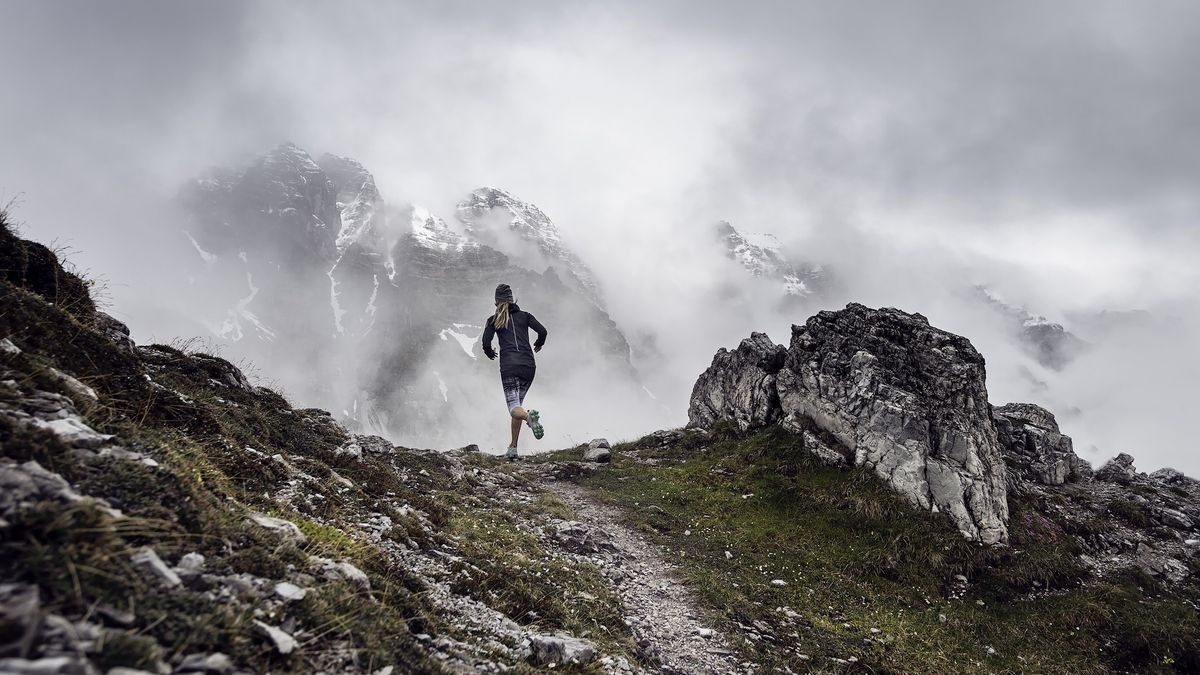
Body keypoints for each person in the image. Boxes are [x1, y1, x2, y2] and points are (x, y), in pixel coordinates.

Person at [481, 283, 547, 459]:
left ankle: (529, 419)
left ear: (496, 302)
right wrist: (539, 344)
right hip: (529, 367)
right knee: (517, 405)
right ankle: (513, 448)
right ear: (512, 299)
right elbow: (543, 331)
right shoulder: (525, 316)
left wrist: (490, 353)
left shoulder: (493, 320)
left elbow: (486, 343)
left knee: (513, 409)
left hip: (510, 367)